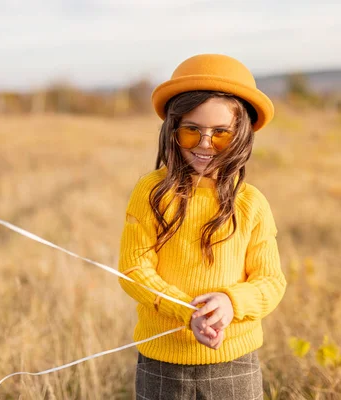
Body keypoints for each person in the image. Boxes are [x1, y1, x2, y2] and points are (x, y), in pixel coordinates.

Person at [117, 53, 287, 400]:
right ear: (172, 130)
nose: (205, 145)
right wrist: (186, 311)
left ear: (240, 136)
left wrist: (230, 302)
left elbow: (271, 281)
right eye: (192, 131)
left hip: (234, 363)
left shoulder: (251, 202)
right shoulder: (151, 192)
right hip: (162, 361)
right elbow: (134, 269)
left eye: (220, 134)